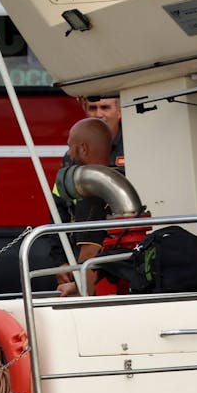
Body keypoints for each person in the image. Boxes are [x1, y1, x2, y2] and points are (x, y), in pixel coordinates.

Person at [56, 117, 145, 297]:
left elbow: (89, 257)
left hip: (106, 296)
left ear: (83, 148)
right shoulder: (122, 180)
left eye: (70, 146)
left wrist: (80, 292)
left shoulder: (92, 197)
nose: (69, 153)